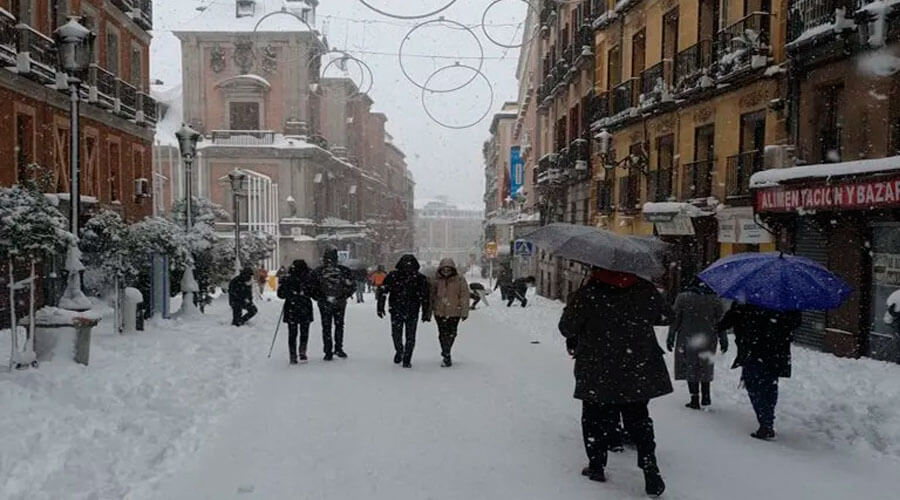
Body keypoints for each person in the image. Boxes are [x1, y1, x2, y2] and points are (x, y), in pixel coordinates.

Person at [558, 267, 672, 497]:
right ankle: (649, 467)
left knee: (594, 418)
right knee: (639, 418)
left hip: (598, 367)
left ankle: (597, 466)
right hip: (637, 365)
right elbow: (666, 316)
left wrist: (577, 306)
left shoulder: (588, 293)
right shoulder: (644, 289)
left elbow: (567, 328)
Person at [718, 302, 801, 440]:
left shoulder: (747, 299)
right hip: (777, 351)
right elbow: (795, 322)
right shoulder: (785, 301)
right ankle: (768, 418)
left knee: (754, 385)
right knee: (770, 385)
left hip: (754, 349)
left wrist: (719, 325)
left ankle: (766, 422)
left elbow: (730, 319)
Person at [666, 279, 728, 409]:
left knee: (691, 366)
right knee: (705, 366)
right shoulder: (715, 299)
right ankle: (706, 396)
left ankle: (694, 398)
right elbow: (722, 322)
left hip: (687, 337)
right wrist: (723, 339)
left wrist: (671, 336)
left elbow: (675, 319)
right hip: (708, 338)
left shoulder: (683, 298)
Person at [377, 254, 431, 368]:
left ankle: (406, 357)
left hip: (409, 310)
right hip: (399, 309)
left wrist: (426, 311)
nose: (408, 266)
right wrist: (380, 306)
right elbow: (383, 291)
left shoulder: (419, 278)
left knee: (406, 335)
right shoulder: (394, 276)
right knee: (400, 335)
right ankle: (400, 351)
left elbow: (425, 296)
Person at [310, 248, 355, 361]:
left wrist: (319, 297)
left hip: (324, 302)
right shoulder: (344, 270)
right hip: (340, 302)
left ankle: (328, 351)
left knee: (326, 327)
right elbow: (352, 286)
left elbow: (311, 287)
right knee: (339, 325)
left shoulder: (318, 271)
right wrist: (344, 296)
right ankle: (338, 348)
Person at [431, 258, 470, 367]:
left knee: (452, 333)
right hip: (439, 312)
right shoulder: (436, 280)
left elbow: (464, 296)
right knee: (442, 333)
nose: (446, 272)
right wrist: (429, 310)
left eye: (448, 269)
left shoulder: (460, 280)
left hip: (454, 312)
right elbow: (431, 296)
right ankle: (446, 352)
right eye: (444, 269)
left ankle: (446, 351)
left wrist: (464, 311)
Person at [277, 260, 316, 364]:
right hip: (305, 307)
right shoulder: (308, 278)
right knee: (304, 332)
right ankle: (302, 351)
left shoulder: (287, 279)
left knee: (292, 333)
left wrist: (290, 293)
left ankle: (292, 354)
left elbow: (280, 295)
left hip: (291, 307)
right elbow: (314, 294)